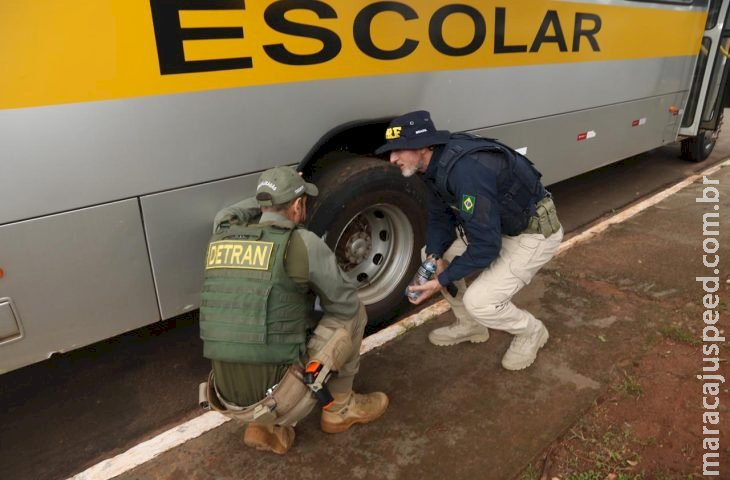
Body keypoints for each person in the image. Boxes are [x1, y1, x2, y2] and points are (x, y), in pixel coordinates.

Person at [198, 166, 388, 455]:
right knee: (353, 314)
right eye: (303, 203)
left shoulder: (222, 232)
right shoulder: (302, 243)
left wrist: (270, 198)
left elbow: (227, 212)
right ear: (298, 205)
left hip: (226, 398)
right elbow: (344, 304)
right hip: (282, 397)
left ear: (261, 206)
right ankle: (340, 408)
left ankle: (265, 425)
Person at [375, 110, 563, 371]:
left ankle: (531, 331)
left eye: (400, 149)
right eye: (390, 151)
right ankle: (471, 325)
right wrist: (434, 256)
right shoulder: (431, 166)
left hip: (532, 235)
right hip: (497, 228)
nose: (392, 158)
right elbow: (440, 217)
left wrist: (441, 281)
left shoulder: (466, 171)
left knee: (480, 301)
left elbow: (486, 247)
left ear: (425, 145)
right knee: (429, 259)